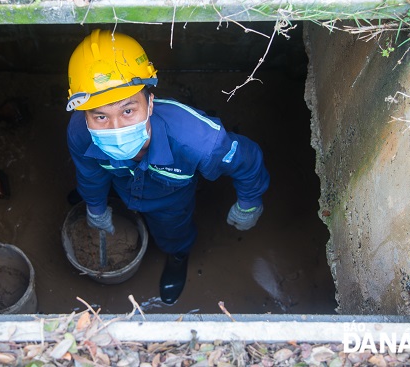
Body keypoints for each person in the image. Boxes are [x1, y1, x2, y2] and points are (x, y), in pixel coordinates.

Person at [65, 29, 270, 305]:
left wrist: (249, 202)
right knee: (96, 183)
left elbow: (248, 160)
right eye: (100, 115)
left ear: (149, 104)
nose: (115, 129)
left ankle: (177, 255)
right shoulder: (80, 131)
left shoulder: (199, 141)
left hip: (171, 200)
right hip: (121, 181)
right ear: (84, 114)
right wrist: (95, 206)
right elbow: (90, 172)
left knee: (173, 231)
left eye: (128, 111)